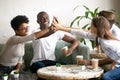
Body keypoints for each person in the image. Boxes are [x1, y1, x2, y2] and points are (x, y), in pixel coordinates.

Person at [53, 16, 120, 80]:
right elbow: (81, 33)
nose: (90, 26)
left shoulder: (107, 43)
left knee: (106, 77)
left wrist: (115, 64)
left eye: (91, 25)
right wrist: (61, 28)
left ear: (96, 28)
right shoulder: (99, 37)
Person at [30, 11, 79, 80]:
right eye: (42, 18)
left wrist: (71, 49)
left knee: (66, 66)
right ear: (38, 21)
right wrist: (53, 28)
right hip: (37, 62)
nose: (45, 19)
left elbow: (76, 41)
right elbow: (46, 33)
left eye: (47, 18)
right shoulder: (35, 32)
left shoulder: (56, 32)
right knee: (42, 70)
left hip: (51, 62)